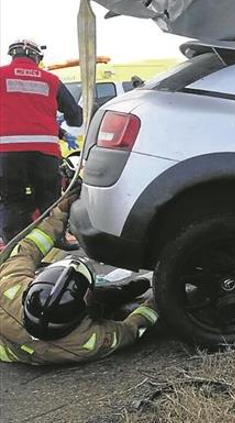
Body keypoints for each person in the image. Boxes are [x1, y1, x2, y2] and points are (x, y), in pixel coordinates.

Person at [0, 190, 158, 365]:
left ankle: (116, 293)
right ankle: (113, 295)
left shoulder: (7, 287)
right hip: (36, 348)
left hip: (15, 335)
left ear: (28, 292)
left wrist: (60, 213)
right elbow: (131, 330)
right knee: (102, 304)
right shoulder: (86, 343)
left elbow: (31, 246)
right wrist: (158, 301)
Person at [0, 39, 83, 242]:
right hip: (44, 152)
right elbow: (75, 116)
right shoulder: (51, 80)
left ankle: (13, 247)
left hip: (7, 154)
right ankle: (56, 240)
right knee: (48, 198)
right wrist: (65, 128)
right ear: (35, 57)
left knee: (13, 200)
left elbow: (20, 115)